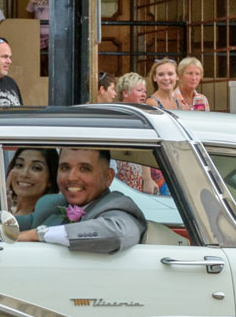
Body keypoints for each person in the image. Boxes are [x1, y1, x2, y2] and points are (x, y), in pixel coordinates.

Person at [16, 148, 147, 253]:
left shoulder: (117, 205)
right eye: (65, 168)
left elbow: (117, 234)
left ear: (108, 177)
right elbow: (12, 225)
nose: (71, 177)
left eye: (84, 169)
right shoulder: (53, 205)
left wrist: (38, 235)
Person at [114, 72, 157, 193]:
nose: (143, 94)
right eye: (139, 90)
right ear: (125, 92)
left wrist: (147, 179)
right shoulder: (115, 114)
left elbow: (144, 148)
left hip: (135, 172)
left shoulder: (140, 116)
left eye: (144, 91)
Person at [145, 58, 180, 194]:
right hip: (156, 163)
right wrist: (147, 178)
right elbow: (147, 139)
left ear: (177, 77)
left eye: (170, 74)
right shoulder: (152, 103)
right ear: (154, 78)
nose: (166, 78)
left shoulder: (177, 102)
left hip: (173, 161)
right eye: (161, 74)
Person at [3, 148, 59, 215]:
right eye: (19, 165)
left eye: (36, 168)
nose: (24, 174)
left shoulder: (50, 218)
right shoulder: (4, 210)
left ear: (51, 179)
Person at [26, 0, 50, 76]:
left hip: (51, 33)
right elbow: (29, 13)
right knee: (40, 61)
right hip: (37, 33)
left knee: (50, 60)